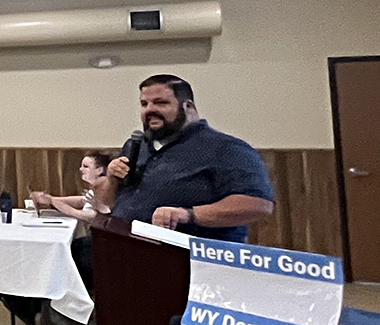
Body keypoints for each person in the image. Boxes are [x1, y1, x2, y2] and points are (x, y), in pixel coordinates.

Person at [94, 74, 274, 241]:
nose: (150, 110)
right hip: (124, 245)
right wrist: (111, 178)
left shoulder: (226, 148)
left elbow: (258, 205)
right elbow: (105, 203)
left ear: (188, 107)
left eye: (161, 103)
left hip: (189, 257)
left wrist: (188, 215)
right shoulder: (135, 146)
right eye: (144, 104)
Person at [30, 152, 114, 224]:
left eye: (85, 166)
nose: (80, 169)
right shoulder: (96, 186)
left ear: (99, 170)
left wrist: (53, 201)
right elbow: (81, 200)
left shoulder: (106, 188)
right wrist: (50, 198)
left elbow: (89, 216)